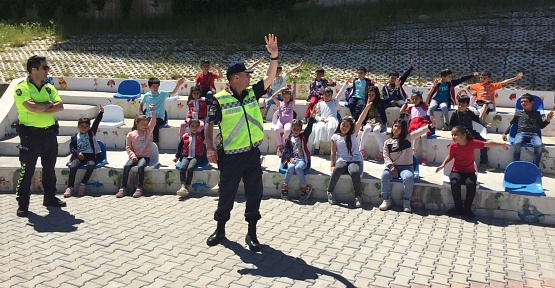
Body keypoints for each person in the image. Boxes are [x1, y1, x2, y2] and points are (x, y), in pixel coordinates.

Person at [204, 34, 279, 252]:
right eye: (246, 75)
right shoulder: (219, 99)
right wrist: (209, 147)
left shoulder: (250, 93)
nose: (249, 77)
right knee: (227, 193)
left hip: (251, 154)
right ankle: (220, 229)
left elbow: (270, 77)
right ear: (236, 77)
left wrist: (274, 56)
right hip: (231, 156)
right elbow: (208, 124)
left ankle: (252, 234)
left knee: (254, 193)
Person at [14, 55, 65, 217]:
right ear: (33, 69)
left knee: (49, 169)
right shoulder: (22, 88)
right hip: (31, 136)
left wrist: (41, 106)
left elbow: (60, 106)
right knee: (27, 171)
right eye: (45, 67)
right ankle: (23, 205)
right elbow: (32, 108)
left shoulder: (49, 87)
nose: (47, 70)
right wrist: (49, 105)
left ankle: (49, 198)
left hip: (49, 134)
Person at [436, 125, 509, 219]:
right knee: (454, 182)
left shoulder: (472, 143)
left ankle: (467, 209)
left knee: (471, 184)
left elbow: (488, 144)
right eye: (452, 135)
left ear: (464, 135)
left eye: (456, 135)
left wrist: (502, 144)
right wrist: (443, 164)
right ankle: (458, 208)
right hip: (457, 171)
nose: (453, 137)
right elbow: (450, 156)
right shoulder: (453, 145)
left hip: (469, 172)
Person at [379, 118, 435, 213]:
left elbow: (419, 131)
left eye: (400, 127)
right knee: (384, 176)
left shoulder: (408, 138)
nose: (396, 128)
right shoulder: (387, 142)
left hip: (406, 167)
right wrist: (391, 167)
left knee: (409, 177)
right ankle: (386, 199)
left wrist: (430, 126)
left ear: (404, 129)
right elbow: (386, 156)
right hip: (393, 167)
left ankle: (406, 201)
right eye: (395, 126)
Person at [327, 97, 373, 208]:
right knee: (337, 169)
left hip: (354, 160)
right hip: (342, 160)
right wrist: (332, 165)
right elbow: (333, 152)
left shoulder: (353, 134)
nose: (344, 127)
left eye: (347, 126)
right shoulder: (335, 137)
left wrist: (366, 108)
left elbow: (360, 120)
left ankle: (358, 196)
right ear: (340, 125)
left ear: (350, 128)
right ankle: (329, 192)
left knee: (354, 172)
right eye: (343, 125)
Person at [502, 94, 554, 167]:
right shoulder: (518, 113)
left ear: (532, 103)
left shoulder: (537, 113)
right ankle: (516, 165)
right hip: (521, 134)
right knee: (516, 144)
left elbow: (541, 126)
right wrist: (505, 133)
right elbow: (512, 124)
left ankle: (535, 167)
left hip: (534, 134)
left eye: (525, 101)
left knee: (539, 145)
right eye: (521, 102)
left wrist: (547, 120)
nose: (523, 103)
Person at [64, 104, 105, 197]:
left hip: (90, 156)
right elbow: (72, 148)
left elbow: (96, 123)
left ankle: (83, 184)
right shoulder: (75, 137)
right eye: (82, 126)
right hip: (79, 156)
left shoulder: (91, 133)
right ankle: (70, 187)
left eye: (87, 126)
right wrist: (77, 153)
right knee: (73, 167)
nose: (84, 128)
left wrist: (101, 113)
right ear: (78, 126)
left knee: (91, 165)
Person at [116, 105, 156, 198]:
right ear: (137, 123)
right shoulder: (130, 134)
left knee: (141, 166)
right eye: (143, 124)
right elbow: (128, 147)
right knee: (127, 166)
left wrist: (152, 111)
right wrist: (132, 156)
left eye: (147, 124)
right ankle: (123, 188)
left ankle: (139, 188)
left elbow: (153, 122)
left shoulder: (147, 132)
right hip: (134, 156)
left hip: (145, 156)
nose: (146, 126)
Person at [448, 96, 494, 171]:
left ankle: (484, 163)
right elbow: (450, 125)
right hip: (460, 134)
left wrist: (485, 124)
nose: (460, 107)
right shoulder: (455, 114)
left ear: (467, 106)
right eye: (459, 104)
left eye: (463, 105)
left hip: (470, 132)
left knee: (483, 143)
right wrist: (454, 131)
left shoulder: (470, 113)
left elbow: (478, 120)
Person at [281, 108, 316, 201]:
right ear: (291, 129)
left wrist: (312, 118)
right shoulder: (289, 139)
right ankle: (284, 187)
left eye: (298, 129)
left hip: (301, 160)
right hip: (292, 159)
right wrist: (289, 159)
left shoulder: (303, 137)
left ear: (301, 130)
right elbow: (286, 151)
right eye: (294, 129)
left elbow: (308, 129)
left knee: (298, 168)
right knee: (291, 167)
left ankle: (305, 188)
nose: (296, 131)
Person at [140, 77, 183, 144]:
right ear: (149, 87)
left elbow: (173, 92)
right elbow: (141, 105)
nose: (155, 88)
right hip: (149, 116)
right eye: (153, 86)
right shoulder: (147, 95)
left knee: (154, 123)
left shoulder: (162, 94)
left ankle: (155, 142)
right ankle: (140, 140)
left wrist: (178, 84)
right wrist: (141, 113)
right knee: (141, 123)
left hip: (159, 117)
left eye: (157, 86)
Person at [310, 80, 348, 156]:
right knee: (319, 128)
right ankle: (317, 148)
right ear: (322, 95)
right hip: (323, 120)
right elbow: (316, 116)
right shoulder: (319, 104)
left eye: (329, 95)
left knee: (332, 128)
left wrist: (346, 84)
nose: (327, 97)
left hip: (332, 119)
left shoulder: (334, 102)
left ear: (331, 96)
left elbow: (340, 93)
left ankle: (333, 148)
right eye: (325, 95)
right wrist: (321, 119)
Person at [174, 119, 205, 197]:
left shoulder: (201, 135)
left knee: (190, 168)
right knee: (182, 168)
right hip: (186, 156)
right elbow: (180, 147)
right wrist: (177, 157)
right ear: (189, 127)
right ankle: (182, 186)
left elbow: (205, 126)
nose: (194, 128)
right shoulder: (185, 136)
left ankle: (187, 187)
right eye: (192, 126)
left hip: (196, 157)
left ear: (199, 127)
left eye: (197, 126)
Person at [359, 86, 387, 161]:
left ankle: (381, 151)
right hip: (369, 120)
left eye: (372, 95)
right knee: (367, 128)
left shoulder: (380, 102)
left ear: (376, 95)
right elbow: (363, 115)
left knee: (376, 130)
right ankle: (361, 149)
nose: (371, 97)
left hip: (379, 121)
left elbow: (390, 98)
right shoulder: (365, 103)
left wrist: (396, 89)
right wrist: (362, 125)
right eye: (369, 95)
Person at [400, 91, 429, 165]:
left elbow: (428, 96)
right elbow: (401, 111)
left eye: (416, 98)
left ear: (421, 99)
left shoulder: (423, 106)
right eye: (413, 99)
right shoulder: (411, 108)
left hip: (422, 124)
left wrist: (433, 87)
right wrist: (406, 103)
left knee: (423, 136)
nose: (414, 100)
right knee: (415, 139)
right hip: (414, 125)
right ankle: (414, 157)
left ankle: (424, 157)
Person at [272, 79, 297, 157]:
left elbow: (294, 93)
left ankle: (282, 144)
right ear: (282, 97)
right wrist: (281, 89)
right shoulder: (280, 103)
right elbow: (273, 96)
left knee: (287, 130)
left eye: (288, 97)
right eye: (285, 97)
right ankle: (280, 146)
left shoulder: (292, 103)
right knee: (276, 129)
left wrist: (295, 82)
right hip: (280, 121)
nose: (286, 98)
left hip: (288, 121)